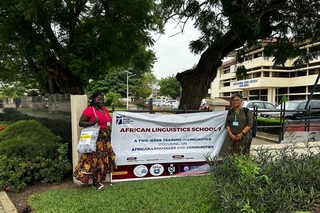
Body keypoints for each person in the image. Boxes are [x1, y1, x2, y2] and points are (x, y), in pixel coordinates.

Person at [73, 91, 117, 189]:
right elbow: (81, 122)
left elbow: (108, 123)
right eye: (98, 99)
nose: (101, 101)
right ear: (93, 100)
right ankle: (94, 182)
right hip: (95, 139)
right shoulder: (90, 110)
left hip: (105, 139)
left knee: (104, 160)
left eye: (102, 99)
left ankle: (101, 180)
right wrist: (93, 122)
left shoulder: (104, 110)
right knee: (94, 160)